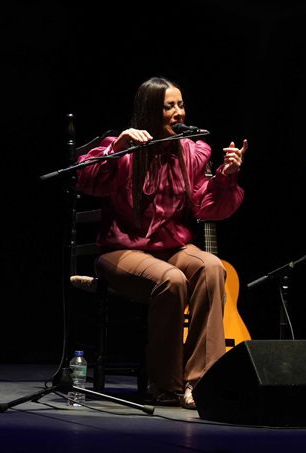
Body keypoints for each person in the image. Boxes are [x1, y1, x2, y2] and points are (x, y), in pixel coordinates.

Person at [77, 77, 248, 410]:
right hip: (122, 252)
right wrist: (115, 150)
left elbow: (205, 206)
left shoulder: (191, 151)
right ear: (149, 111)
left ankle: (199, 384)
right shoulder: (124, 148)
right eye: (169, 106)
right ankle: (166, 387)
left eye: (181, 104)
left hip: (172, 250)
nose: (178, 112)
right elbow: (86, 179)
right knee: (172, 280)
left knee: (212, 267)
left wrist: (226, 178)